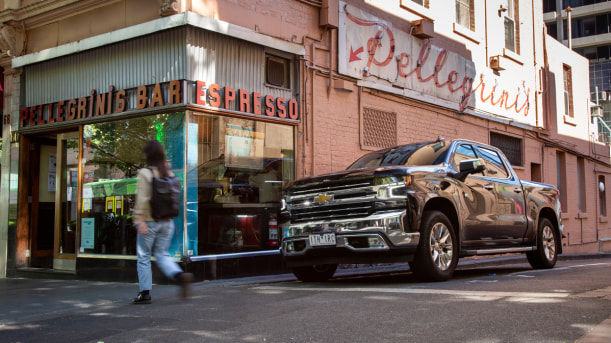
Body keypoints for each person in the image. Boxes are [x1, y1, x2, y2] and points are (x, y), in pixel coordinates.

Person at [132, 140, 193, 304]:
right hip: (168, 222)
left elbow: (142, 199)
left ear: (148, 155)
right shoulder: (170, 174)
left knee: (143, 256)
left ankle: (145, 293)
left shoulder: (145, 174)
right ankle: (179, 276)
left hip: (150, 222)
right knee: (162, 254)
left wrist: (139, 220)